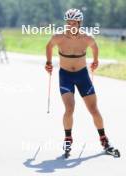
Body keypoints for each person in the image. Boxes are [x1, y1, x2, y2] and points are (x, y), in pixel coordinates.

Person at [45, 8, 120, 157]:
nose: (71, 25)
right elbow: (49, 46)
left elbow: (94, 46)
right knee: (69, 108)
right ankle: (68, 138)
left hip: (82, 76)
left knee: (93, 109)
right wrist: (48, 62)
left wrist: (96, 61)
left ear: (79, 23)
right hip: (65, 76)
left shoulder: (87, 38)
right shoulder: (59, 37)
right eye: (68, 22)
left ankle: (104, 140)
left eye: (74, 23)